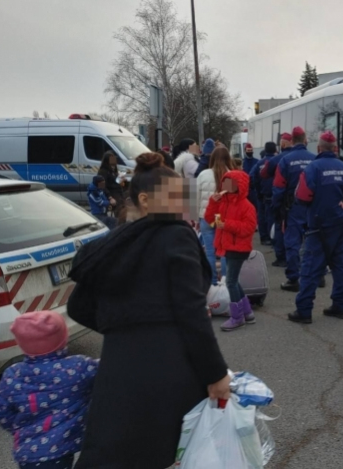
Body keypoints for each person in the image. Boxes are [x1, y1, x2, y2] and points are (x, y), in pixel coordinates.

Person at [67, 152, 231, 468]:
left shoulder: (111, 244)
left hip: (118, 372)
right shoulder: (176, 235)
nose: (183, 204)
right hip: (169, 368)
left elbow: (78, 306)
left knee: (115, 455)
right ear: (145, 199)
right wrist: (216, 374)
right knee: (168, 453)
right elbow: (191, 312)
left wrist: (123, 327)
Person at [0, 311, 99, 469]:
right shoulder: (79, 367)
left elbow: (2, 412)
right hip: (60, 451)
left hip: (26, 453)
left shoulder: (12, 374)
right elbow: (109, 368)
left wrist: (20, 428)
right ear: (63, 337)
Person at [287, 131, 343, 324]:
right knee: (341, 267)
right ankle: (340, 305)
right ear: (335, 149)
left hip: (318, 226)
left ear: (318, 148)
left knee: (310, 269)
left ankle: (304, 310)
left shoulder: (313, 169)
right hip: (341, 225)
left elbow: (301, 196)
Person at [204, 170, 257, 331]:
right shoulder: (223, 202)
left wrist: (227, 225)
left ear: (238, 186)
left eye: (229, 182)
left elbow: (249, 228)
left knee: (230, 281)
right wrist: (213, 202)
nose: (225, 185)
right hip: (229, 245)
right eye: (224, 182)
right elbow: (209, 219)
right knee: (233, 280)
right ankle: (247, 312)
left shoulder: (246, 206)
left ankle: (237, 317)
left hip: (238, 247)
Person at [273, 127, 315, 292]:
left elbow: (278, 187)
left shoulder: (285, 161)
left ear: (291, 141)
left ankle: (293, 278)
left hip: (293, 207)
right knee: (313, 241)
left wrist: (276, 209)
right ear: (305, 140)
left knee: (292, 243)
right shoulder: (314, 159)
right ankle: (315, 275)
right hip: (312, 207)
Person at [197, 146, 237, 285]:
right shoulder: (232, 175)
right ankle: (226, 281)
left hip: (206, 216)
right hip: (224, 218)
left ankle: (212, 282)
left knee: (209, 252)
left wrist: (197, 217)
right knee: (225, 251)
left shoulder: (203, 174)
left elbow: (196, 198)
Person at [261, 133, 293, 267]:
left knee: (280, 226)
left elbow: (262, 174)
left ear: (283, 144)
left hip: (282, 200)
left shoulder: (277, 159)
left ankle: (282, 257)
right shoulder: (310, 158)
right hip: (302, 201)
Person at [251, 142, 277, 246]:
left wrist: (258, 191)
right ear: (275, 149)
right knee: (273, 217)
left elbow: (253, 177)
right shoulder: (278, 161)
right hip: (275, 194)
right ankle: (273, 237)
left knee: (262, 216)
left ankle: (264, 237)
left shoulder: (259, 163)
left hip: (263, 194)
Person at [98, 151, 125, 222]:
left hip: (119, 195)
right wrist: (110, 197)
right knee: (118, 215)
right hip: (112, 195)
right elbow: (102, 186)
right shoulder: (103, 171)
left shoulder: (113, 170)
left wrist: (121, 181)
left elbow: (116, 182)